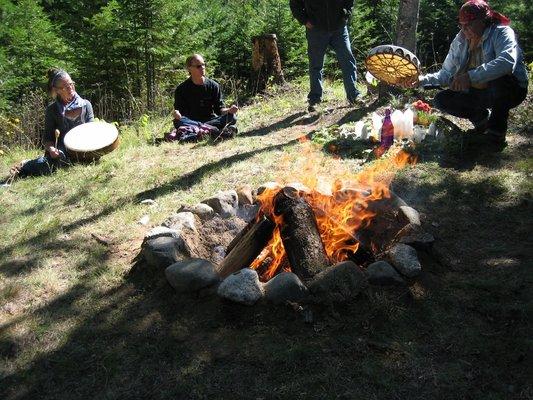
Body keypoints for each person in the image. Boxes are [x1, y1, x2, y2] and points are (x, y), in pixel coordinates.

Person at [400, 0, 529, 147]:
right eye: (461, 24)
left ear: (484, 21)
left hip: (512, 89)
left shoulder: (502, 32)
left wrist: (469, 76)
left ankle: (496, 134)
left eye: (469, 24)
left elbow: (506, 63)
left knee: (499, 79)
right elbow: (445, 75)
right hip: (481, 91)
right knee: (442, 100)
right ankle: (482, 123)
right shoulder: (461, 40)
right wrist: (420, 80)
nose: (464, 29)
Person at [9, 68, 94, 178]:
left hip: (85, 149)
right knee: (52, 166)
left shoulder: (86, 105)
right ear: (57, 90)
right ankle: (25, 165)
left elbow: (92, 130)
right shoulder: (52, 110)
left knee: (92, 159)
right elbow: (47, 139)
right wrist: (52, 149)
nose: (70, 88)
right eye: (65, 87)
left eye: (71, 84)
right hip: (62, 153)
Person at [289, 0, 360, 112]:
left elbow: (349, 1)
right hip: (316, 29)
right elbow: (295, 3)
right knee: (315, 65)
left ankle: (354, 96)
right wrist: (305, 20)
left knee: (347, 61)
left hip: (339, 28)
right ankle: (315, 100)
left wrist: (345, 15)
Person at [173, 54, 238, 139]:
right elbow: (179, 112)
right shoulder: (181, 89)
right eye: (198, 66)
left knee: (232, 117)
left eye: (203, 65)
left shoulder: (214, 86)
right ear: (189, 68)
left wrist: (229, 110)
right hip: (191, 121)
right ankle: (212, 131)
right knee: (178, 121)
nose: (202, 68)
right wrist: (176, 114)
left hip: (210, 120)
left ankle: (200, 131)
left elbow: (219, 109)